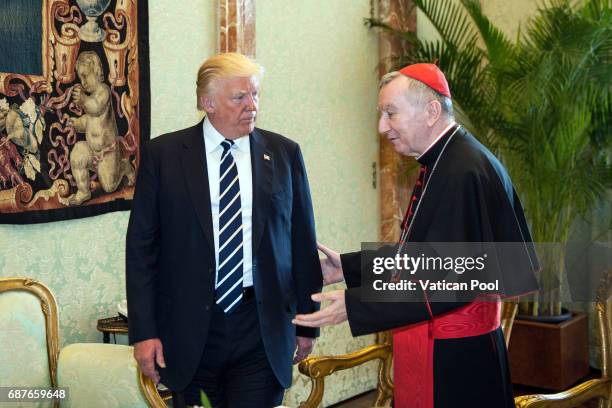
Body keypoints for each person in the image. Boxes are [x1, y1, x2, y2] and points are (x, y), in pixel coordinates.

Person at [293, 64, 539, 408]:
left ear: (431, 111)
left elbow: (449, 282)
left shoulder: (462, 170)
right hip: (442, 348)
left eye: (390, 113)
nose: (382, 127)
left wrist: (355, 304)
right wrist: (348, 269)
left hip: (457, 362)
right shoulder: (447, 159)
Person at [126, 52, 323, 407]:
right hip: (189, 331)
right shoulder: (165, 156)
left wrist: (308, 323)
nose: (252, 106)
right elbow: (141, 250)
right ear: (208, 102)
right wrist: (144, 332)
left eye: (256, 95)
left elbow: (302, 243)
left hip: (260, 327)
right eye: (240, 97)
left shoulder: (283, 153)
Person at [67, 51, 135, 205]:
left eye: (85, 76)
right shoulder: (90, 98)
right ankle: (84, 191)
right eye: (80, 77)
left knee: (109, 187)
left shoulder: (103, 91)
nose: (82, 81)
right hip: (92, 151)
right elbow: (89, 121)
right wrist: (76, 123)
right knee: (77, 153)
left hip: (108, 153)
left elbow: (96, 107)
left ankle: (123, 166)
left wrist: (84, 99)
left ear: (97, 72)